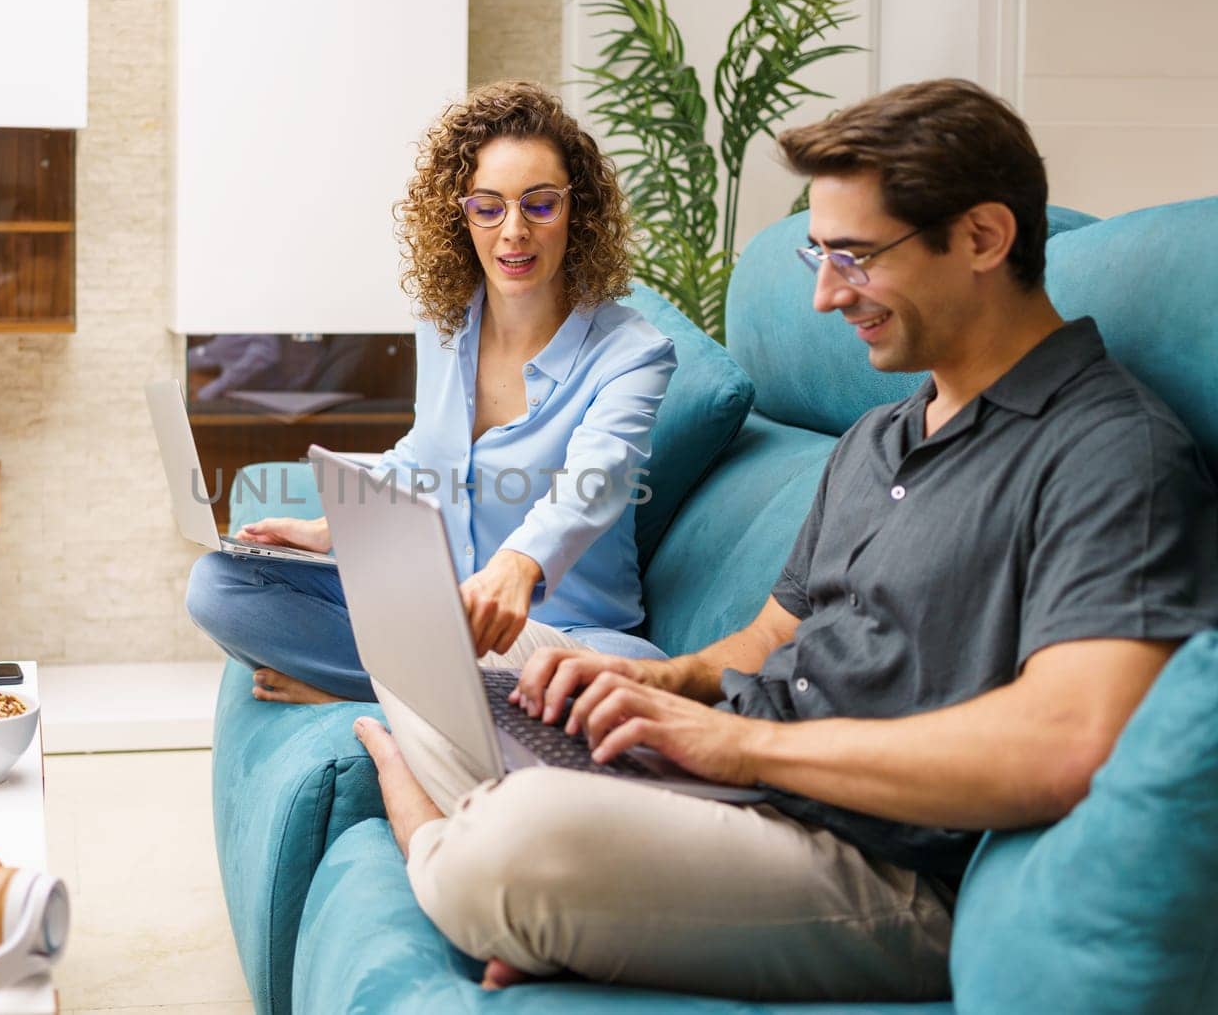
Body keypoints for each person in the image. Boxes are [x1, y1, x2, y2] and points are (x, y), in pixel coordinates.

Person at [352, 78, 1218, 1001]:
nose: (821, 296)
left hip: (883, 863)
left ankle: (432, 825)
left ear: (983, 237)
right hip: (751, 781)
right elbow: (768, 642)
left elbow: (1068, 741)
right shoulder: (880, 436)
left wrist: (734, 749)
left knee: (516, 839)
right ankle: (517, 871)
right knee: (466, 651)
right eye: (818, 253)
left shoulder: (1110, 452)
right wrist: (653, 682)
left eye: (854, 256)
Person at [185, 81, 679, 704]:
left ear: (576, 211)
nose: (514, 230)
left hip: (566, 634)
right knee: (218, 584)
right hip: (434, 612)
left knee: (627, 669)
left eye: (541, 204)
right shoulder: (445, 326)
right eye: (488, 206)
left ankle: (380, 690)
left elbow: (599, 477)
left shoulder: (633, 353)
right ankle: (442, 695)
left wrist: (518, 565)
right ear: (461, 215)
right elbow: (425, 453)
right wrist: (330, 528)